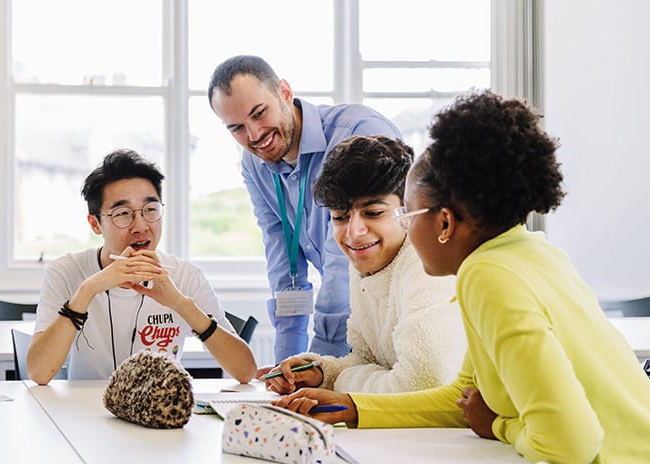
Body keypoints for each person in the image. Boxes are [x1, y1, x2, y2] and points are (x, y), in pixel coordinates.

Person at [274, 91, 650, 463]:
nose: (403, 227)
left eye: (408, 214)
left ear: (444, 222)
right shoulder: (530, 253)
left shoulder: (485, 276)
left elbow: (571, 444)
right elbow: (463, 397)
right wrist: (353, 407)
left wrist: (501, 426)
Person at [208, 55, 403, 362]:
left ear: (284, 92)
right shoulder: (254, 165)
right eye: (237, 128)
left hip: (396, 309)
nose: (255, 135)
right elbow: (282, 257)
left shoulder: (357, 131)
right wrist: (286, 367)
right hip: (349, 322)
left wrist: (320, 361)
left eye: (259, 113)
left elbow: (343, 259)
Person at [27, 149, 256, 384]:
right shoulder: (65, 271)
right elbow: (39, 373)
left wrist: (180, 304)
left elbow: (245, 371)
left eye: (150, 210)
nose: (141, 226)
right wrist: (87, 290)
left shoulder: (186, 276)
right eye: (123, 213)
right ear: (95, 224)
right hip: (83, 412)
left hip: (157, 415)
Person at [264, 135, 465, 395]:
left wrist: (338, 384)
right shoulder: (368, 260)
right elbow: (369, 359)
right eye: (339, 217)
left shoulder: (427, 266)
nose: (354, 232)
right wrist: (321, 372)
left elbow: (422, 383)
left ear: (408, 211)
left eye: (373, 213)